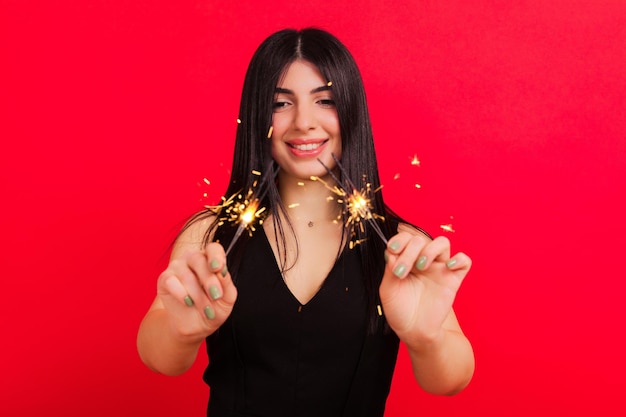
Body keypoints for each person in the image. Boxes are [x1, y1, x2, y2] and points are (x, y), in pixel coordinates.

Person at [137, 27, 474, 417]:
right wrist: (181, 332)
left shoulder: (402, 247)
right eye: (281, 104)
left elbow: (451, 380)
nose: (304, 122)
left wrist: (426, 338)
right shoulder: (210, 234)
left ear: (350, 109)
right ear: (256, 115)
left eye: (325, 100)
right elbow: (159, 357)